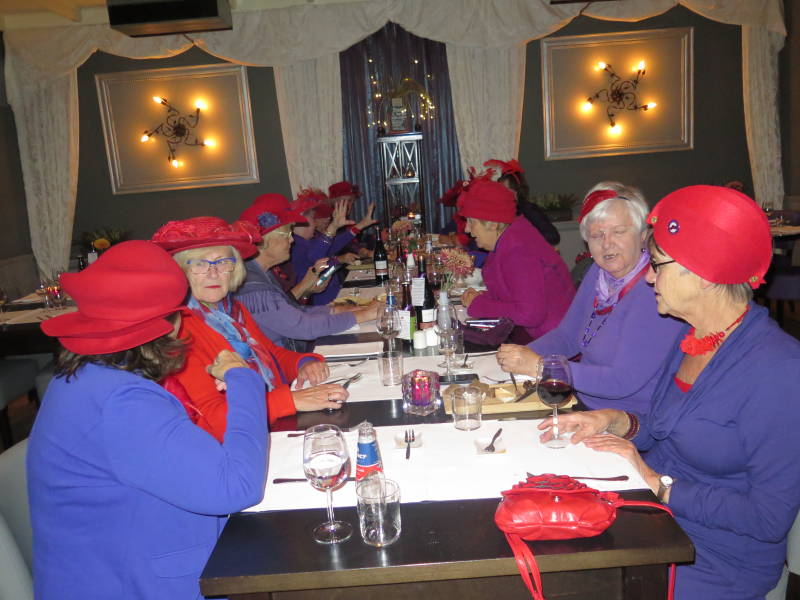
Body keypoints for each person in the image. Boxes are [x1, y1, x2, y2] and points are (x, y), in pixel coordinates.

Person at [538, 185, 800, 599]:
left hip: (715, 556)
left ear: (703, 273)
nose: (648, 276)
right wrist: (613, 421)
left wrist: (657, 483)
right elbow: (665, 430)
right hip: (659, 521)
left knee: (568, 582)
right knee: (545, 536)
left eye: (657, 265)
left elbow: (768, 517)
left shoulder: (777, 369)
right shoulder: (693, 338)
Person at [28, 241, 268, 599]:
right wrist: (244, 380)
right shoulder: (122, 401)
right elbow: (237, 487)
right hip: (133, 584)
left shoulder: (87, 378)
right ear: (169, 326)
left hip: (121, 559)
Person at [151, 216, 347, 443]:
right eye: (199, 264)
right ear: (180, 272)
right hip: (236, 445)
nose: (213, 273)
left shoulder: (232, 309)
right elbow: (210, 420)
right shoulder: (177, 330)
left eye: (222, 262)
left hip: (272, 423)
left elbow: (271, 355)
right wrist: (290, 400)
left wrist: (303, 363)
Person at [496, 183, 684, 413]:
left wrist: (541, 367)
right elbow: (568, 336)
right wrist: (517, 357)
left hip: (626, 418)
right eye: (597, 235)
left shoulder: (654, 291)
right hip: (582, 401)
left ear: (643, 235)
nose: (607, 244)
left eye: (618, 232)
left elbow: (621, 381)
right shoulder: (599, 272)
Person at [236, 194, 379, 351]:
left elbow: (296, 311)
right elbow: (304, 327)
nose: (292, 240)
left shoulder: (262, 273)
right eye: (287, 235)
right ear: (263, 241)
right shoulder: (253, 287)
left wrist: (339, 310)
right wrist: (364, 315)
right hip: (285, 360)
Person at [458, 179, 574, 343]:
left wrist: (479, 304)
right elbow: (515, 293)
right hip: (542, 338)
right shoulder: (510, 241)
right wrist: (484, 297)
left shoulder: (519, 250)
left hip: (554, 345)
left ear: (492, 223)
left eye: (471, 222)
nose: (467, 229)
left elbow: (530, 314)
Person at [290, 187, 378, 306]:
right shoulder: (295, 246)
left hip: (335, 298)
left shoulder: (307, 241)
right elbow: (314, 256)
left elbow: (332, 245)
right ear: (302, 220)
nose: (315, 222)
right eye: (312, 218)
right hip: (321, 306)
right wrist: (333, 227)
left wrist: (361, 225)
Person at [484, 158, 560, 247]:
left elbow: (553, 237)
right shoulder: (498, 211)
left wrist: (523, 239)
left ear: (516, 192)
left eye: (505, 190)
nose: (501, 194)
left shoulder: (528, 210)